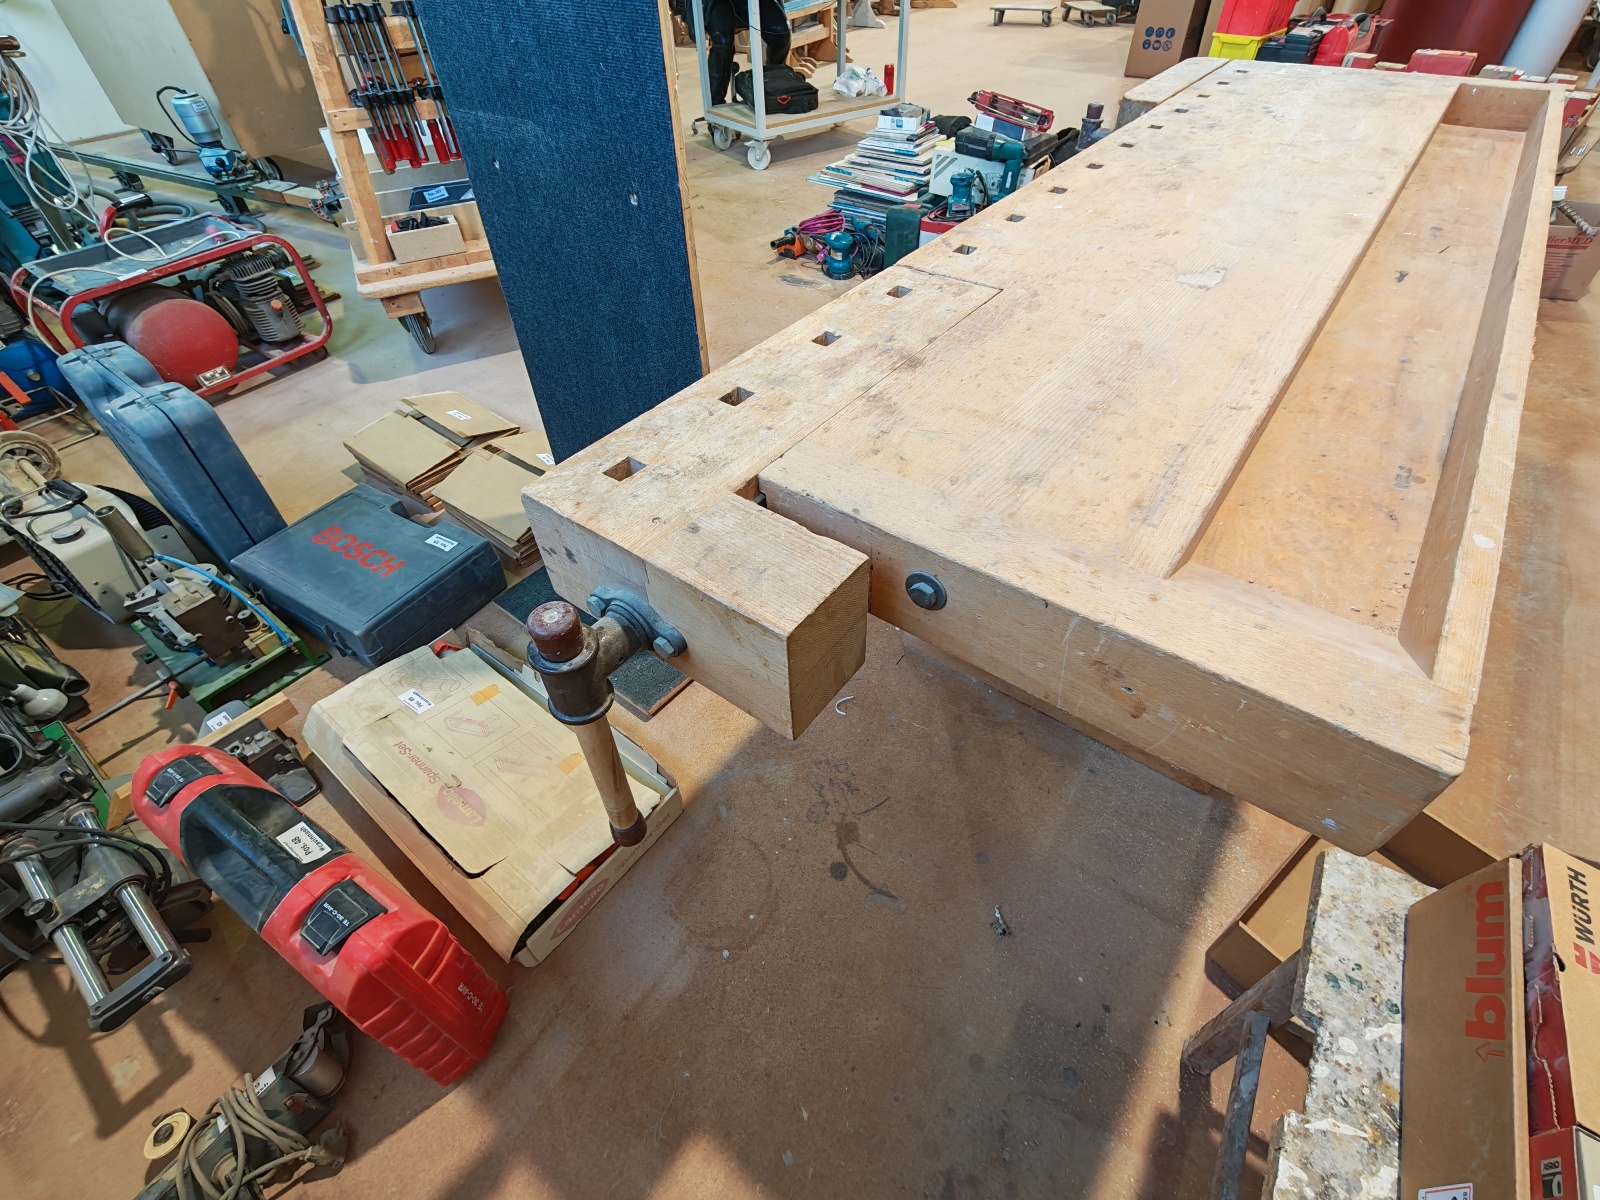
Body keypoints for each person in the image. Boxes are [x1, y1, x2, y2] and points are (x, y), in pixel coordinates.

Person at [678, 0, 792, 106]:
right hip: (716, 2)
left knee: (780, 32)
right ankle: (715, 103)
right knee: (722, 42)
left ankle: (775, 87)